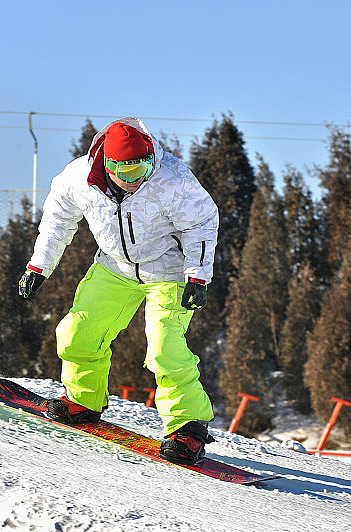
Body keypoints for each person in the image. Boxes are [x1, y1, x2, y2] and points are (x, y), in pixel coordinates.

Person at [18, 117, 218, 465]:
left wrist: (197, 277)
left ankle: (188, 428)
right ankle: (83, 400)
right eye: (125, 173)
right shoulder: (78, 179)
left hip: (167, 270)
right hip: (114, 267)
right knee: (77, 332)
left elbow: (201, 223)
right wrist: (39, 266)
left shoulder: (173, 178)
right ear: (106, 164)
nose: (135, 180)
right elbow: (56, 221)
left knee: (164, 346)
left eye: (142, 168)